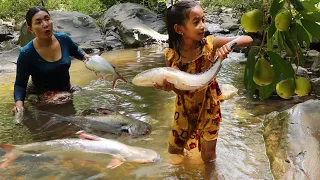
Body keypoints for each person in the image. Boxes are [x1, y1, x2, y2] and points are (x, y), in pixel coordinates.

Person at [153, 0, 253, 163]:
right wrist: (169, 88)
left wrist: (230, 45)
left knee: (208, 156)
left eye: (203, 20)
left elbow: (247, 39)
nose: (202, 26)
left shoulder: (210, 45)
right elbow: (179, 90)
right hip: (184, 109)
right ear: (179, 29)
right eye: (196, 22)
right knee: (175, 152)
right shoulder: (171, 56)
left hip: (209, 107)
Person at [12, 6, 91, 114]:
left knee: (74, 113)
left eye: (47, 19)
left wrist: (85, 57)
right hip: (40, 94)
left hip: (65, 90)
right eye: (38, 22)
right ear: (31, 29)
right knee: (48, 122)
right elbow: (20, 84)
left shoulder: (64, 39)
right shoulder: (27, 54)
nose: (45, 24)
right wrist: (19, 104)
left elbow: (76, 50)